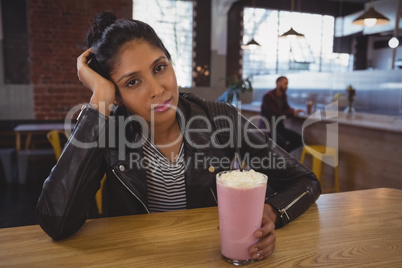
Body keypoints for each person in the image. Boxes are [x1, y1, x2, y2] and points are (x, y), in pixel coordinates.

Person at [36, 12, 321, 262]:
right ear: (117, 96)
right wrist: (100, 102)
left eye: (159, 68)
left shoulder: (218, 118)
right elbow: (56, 222)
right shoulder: (108, 130)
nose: (157, 90)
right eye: (132, 82)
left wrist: (271, 213)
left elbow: (305, 181)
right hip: (136, 259)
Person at [259, 76, 304, 153]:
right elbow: (275, 113)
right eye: (285, 83)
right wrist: (292, 113)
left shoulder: (283, 96)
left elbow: (286, 108)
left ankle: (283, 157)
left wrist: (291, 110)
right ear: (278, 83)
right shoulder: (268, 97)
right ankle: (281, 158)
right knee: (281, 143)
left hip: (279, 128)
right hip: (268, 129)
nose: (287, 86)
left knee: (300, 140)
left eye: (287, 84)